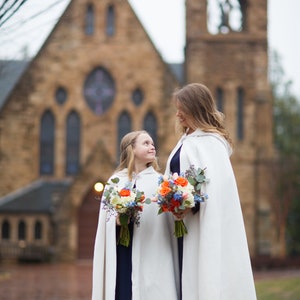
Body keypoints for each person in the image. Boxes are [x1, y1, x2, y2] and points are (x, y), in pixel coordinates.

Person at [165, 83, 257, 300]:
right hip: (181, 225)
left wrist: (190, 204)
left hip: (198, 223)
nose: (177, 114)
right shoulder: (186, 140)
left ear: (195, 109)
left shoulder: (211, 143)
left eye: (182, 109)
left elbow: (213, 189)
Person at [92, 130, 179, 300]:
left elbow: (168, 221)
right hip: (123, 251)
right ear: (131, 149)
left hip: (153, 250)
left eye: (153, 143)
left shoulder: (161, 182)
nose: (152, 147)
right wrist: (118, 220)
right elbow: (105, 223)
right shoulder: (115, 181)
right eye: (146, 143)